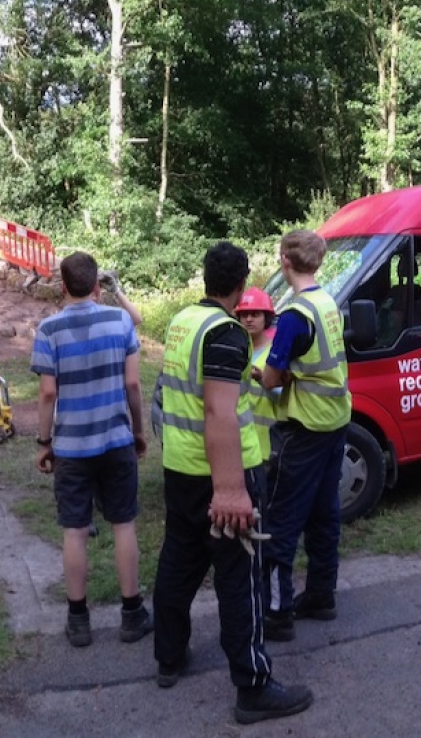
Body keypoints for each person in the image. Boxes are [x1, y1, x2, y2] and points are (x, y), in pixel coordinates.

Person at [152, 241, 313, 725]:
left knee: (178, 562)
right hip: (220, 473)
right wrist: (231, 491)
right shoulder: (225, 334)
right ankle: (254, 685)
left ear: (205, 279)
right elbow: (220, 412)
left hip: (181, 468)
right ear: (243, 287)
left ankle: (168, 656)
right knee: (240, 577)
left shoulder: (183, 321)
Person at [31, 251, 151, 648]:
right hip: (116, 440)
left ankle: (78, 619)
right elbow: (133, 386)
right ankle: (132, 613)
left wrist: (44, 442)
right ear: (97, 286)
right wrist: (137, 432)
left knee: (75, 531)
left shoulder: (48, 330)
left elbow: (48, 392)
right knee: (123, 524)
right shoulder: (119, 321)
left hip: (71, 446)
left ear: (63, 286)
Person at [255, 230, 350, 642]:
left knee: (281, 518)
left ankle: (277, 614)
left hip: (305, 426)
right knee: (325, 514)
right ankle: (321, 595)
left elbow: (272, 377)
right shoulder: (328, 301)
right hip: (336, 421)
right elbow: (320, 362)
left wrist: (266, 375)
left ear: (284, 261)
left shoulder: (294, 314)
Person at [236, 287, 278, 463]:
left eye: (255, 314)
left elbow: (285, 397)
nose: (249, 319)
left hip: (267, 447)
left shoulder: (276, 352)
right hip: (239, 444)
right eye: (244, 315)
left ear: (266, 318)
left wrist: (262, 379)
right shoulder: (235, 351)